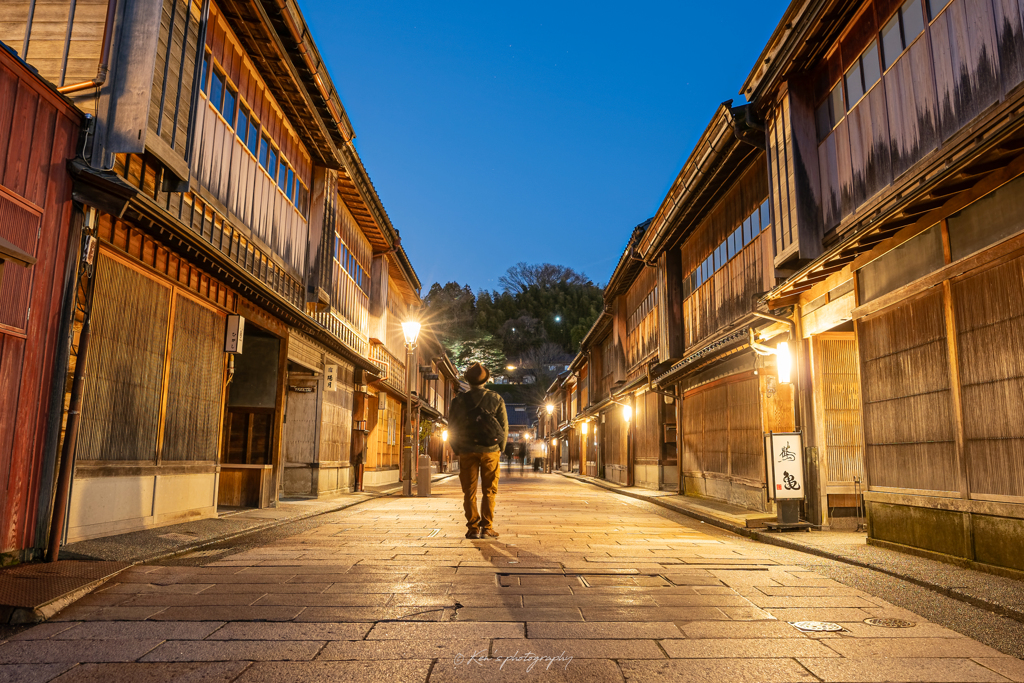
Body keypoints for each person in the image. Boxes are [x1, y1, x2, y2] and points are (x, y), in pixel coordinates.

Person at [448, 362, 508, 539]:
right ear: (486, 379)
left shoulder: (458, 400)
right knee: (490, 490)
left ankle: (472, 527)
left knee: (469, 491)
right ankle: (487, 527)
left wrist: (456, 448)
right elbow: (504, 426)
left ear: (468, 380)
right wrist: (500, 448)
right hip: (490, 450)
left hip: (466, 449)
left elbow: (452, 426)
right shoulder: (496, 398)